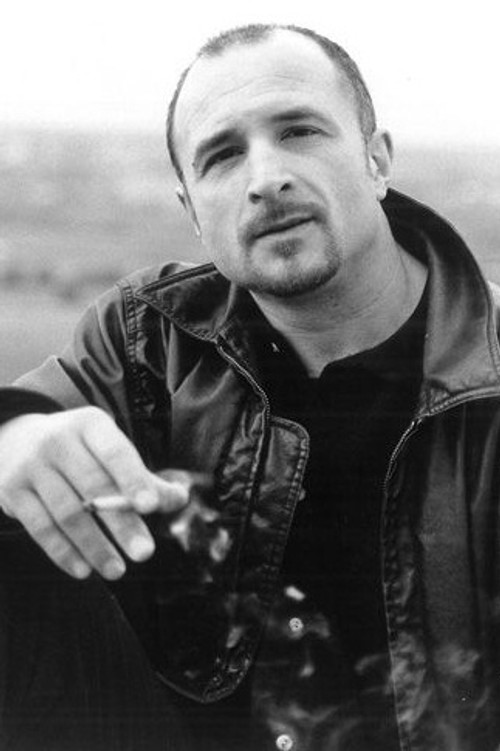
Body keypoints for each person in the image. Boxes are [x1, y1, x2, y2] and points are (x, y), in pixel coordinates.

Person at [0, 21, 499, 751]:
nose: (266, 178)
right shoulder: (149, 343)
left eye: (300, 132)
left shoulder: (489, 369)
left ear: (377, 160)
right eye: (223, 155)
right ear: (192, 212)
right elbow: (30, 427)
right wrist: (15, 432)